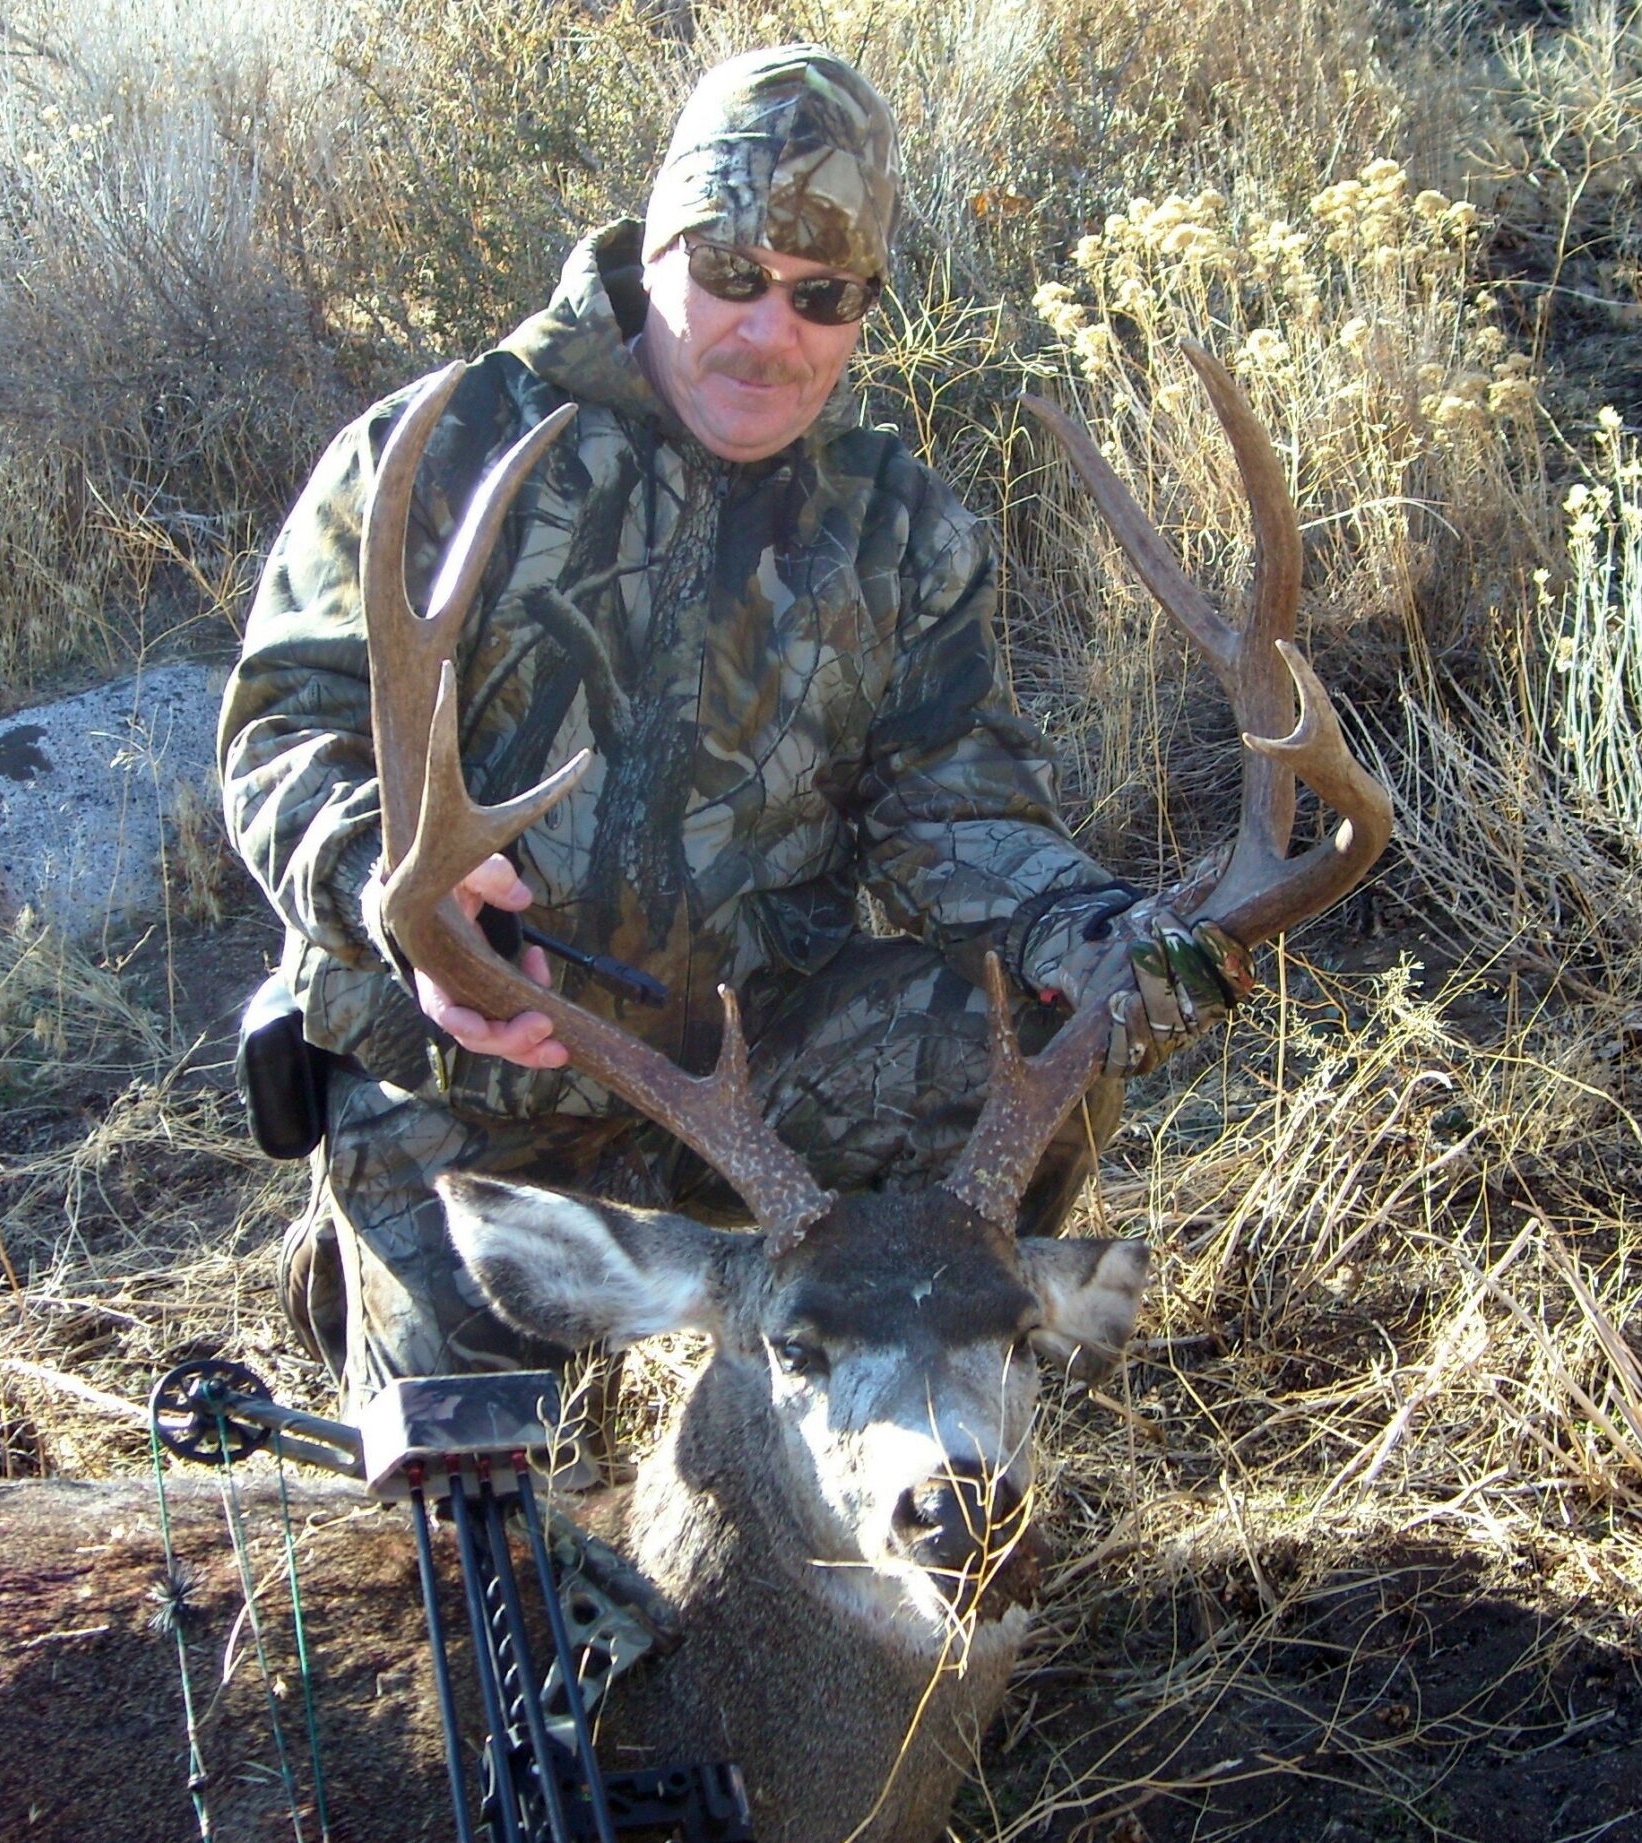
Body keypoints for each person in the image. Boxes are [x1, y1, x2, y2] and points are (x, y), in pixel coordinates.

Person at [219, 45, 1248, 1400]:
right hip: (460, 1090)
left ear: (867, 304)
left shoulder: (895, 523)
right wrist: (387, 889)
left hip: (753, 1088)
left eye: (821, 297)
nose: (770, 334)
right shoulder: (446, 445)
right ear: (655, 251)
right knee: (493, 1547)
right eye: (730, 277)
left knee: (1036, 1055)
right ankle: (366, 1262)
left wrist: (1096, 942)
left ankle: (923, 1418)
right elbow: (283, 731)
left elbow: (957, 808)